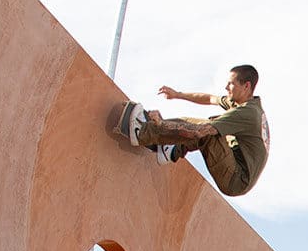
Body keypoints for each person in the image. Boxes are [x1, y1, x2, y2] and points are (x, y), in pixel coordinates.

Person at [111, 65, 270, 197]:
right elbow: (208, 98)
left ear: (246, 86)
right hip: (235, 166)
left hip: (236, 179)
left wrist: (161, 124)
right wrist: (177, 94)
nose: (226, 88)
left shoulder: (247, 113)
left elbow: (200, 132)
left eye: (231, 84)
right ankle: (170, 149)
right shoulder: (242, 103)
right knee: (208, 127)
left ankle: (141, 132)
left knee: (208, 131)